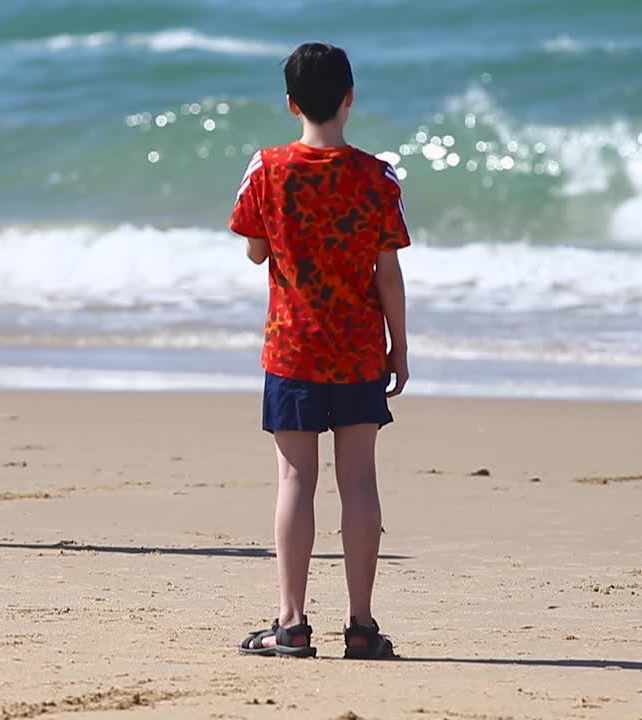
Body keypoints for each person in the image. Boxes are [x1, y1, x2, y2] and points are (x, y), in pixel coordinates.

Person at [230, 43, 410, 659]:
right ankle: (360, 624)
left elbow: (255, 250)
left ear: (290, 102)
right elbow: (388, 273)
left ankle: (291, 622)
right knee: (359, 481)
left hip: (293, 348)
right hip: (359, 348)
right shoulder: (376, 176)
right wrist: (400, 347)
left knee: (295, 479)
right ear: (350, 97)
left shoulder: (267, 168)